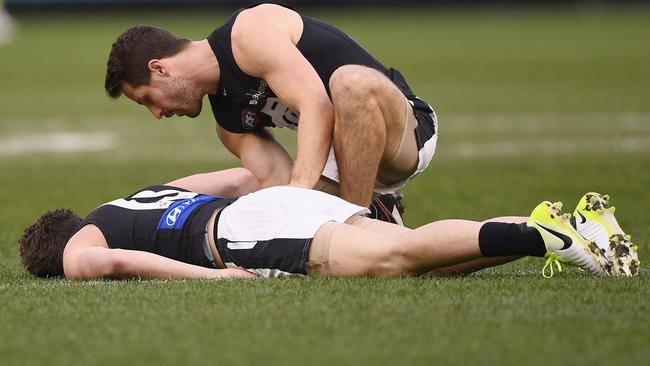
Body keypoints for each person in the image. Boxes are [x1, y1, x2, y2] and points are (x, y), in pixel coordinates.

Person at [103, 3, 439, 224]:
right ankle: (379, 219)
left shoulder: (249, 33)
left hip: (402, 132)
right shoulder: (229, 126)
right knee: (290, 220)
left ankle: (359, 224)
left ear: (159, 69)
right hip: (347, 164)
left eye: (148, 99)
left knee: (348, 83)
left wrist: (298, 200)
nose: (157, 113)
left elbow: (317, 105)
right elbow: (277, 181)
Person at [18, 168, 638, 281]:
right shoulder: (136, 198)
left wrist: (213, 279)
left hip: (245, 233)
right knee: (419, 260)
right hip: (280, 205)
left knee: (402, 257)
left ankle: (540, 238)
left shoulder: (81, 243)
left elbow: (109, 263)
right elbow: (238, 176)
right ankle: (559, 226)